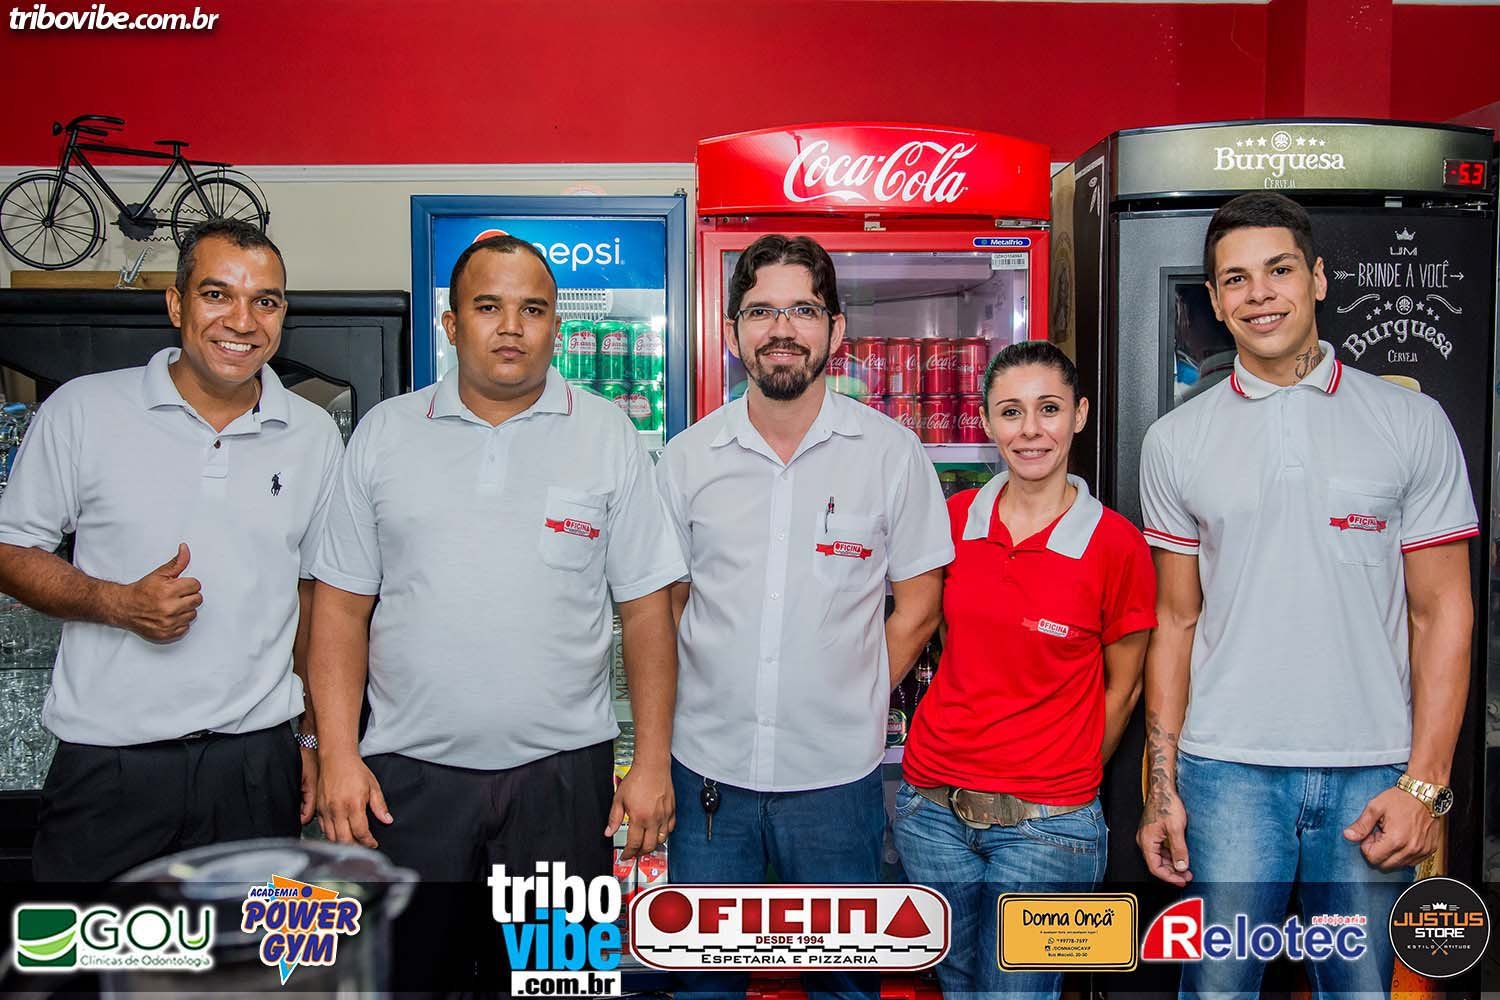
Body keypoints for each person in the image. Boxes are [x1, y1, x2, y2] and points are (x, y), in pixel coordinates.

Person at [309, 234, 684, 994]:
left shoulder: (606, 433)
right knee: (408, 981)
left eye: (532, 310)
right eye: (488, 307)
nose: (511, 327)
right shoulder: (385, 433)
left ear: (556, 328)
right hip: (405, 784)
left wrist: (651, 763)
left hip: (563, 783)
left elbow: (648, 610)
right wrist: (338, 755)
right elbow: (339, 610)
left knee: (559, 985)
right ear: (452, 324)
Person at [1136, 192, 1476, 997]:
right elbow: (1175, 621)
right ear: (1215, 299)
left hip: (1372, 769)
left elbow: (1442, 612)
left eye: (1279, 270)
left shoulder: (1411, 421)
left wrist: (1424, 786)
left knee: (1360, 991)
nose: (1259, 294)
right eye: (1236, 279)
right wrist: (1162, 791)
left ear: (1318, 279)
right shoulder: (1175, 441)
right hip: (1225, 772)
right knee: (1216, 989)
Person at [657, 233, 952, 1000]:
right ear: (732, 331)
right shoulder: (687, 459)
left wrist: (852, 692)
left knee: (845, 985)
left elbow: (919, 608)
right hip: (708, 776)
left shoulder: (891, 455)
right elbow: (669, 606)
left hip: (836, 781)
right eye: (761, 311)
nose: (781, 329)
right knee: (703, 986)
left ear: (835, 329)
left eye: (803, 310)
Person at [0, 219, 340, 881]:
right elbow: (11, 550)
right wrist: (116, 603)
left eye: (265, 301)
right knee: (88, 947)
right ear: (177, 304)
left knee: (248, 950)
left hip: (254, 767)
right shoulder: (83, 410)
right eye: (217, 295)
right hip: (108, 766)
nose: (242, 321)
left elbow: (314, 595)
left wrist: (309, 737)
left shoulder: (314, 434)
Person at [894, 340, 1155, 999]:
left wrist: (1060, 780)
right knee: (955, 986)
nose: (1030, 430)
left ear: (1080, 414)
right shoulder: (953, 521)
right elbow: (943, 637)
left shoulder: (1116, 545)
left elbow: (1124, 688)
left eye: (1049, 409)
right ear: (986, 421)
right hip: (931, 813)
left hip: (1048, 831)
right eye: (1011, 412)